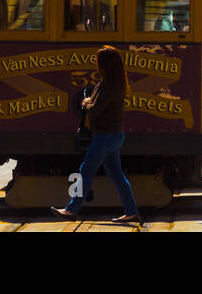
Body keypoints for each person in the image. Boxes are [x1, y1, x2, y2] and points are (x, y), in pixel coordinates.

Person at [52, 46, 141, 223]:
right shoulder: (114, 82)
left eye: (98, 61)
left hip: (105, 136)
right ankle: (131, 211)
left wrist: (85, 103)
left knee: (86, 170)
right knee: (117, 176)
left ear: (105, 64)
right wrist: (90, 101)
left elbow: (96, 109)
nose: (96, 64)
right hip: (114, 135)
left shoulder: (109, 85)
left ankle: (71, 210)